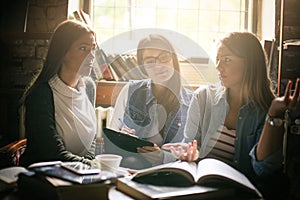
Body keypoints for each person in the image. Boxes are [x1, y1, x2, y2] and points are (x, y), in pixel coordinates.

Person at [163, 32, 280, 178]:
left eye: (227, 60)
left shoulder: (266, 111)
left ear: (250, 63)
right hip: (200, 186)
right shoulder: (202, 98)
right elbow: (190, 144)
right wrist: (188, 154)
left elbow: (262, 169)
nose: (218, 67)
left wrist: (273, 116)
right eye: (217, 60)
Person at [19, 20, 98, 167]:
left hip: (79, 173)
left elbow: (91, 138)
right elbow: (52, 153)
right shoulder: (41, 94)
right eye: (83, 48)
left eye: (93, 48)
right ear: (63, 53)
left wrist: (90, 165)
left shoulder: (88, 87)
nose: (91, 56)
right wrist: (95, 166)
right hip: (44, 175)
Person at [108, 34, 193, 169]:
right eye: (150, 61)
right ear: (143, 67)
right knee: (131, 162)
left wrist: (163, 157)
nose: (158, 65)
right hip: (132, 167)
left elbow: (191, 151)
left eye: (164, 57)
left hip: (171, 170)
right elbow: (112, 137)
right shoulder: (130, 91)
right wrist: (122, 138)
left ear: (173, 59)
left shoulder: (192, 103)